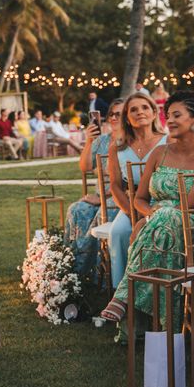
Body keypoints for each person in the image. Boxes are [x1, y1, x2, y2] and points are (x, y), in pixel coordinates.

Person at [101, 90, 194, 325]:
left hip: (191, 226)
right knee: (161, 221)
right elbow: (139, 199)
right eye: (168, 115)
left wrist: (153, 216)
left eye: (177, 115)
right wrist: (150, 215)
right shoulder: (159, 152)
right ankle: (164, 322)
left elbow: (190, 205)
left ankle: (124, 297)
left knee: (164, 217)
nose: (169, 120)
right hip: (158, 223)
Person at [107, 93, 167, 289]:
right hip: (129, 205)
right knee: (119, 231)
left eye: (144, 107)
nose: (140, 112)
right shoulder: (117, 148)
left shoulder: (168, 142)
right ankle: (121, 290)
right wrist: (131, 213)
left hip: (161, 203)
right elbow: (115, 185)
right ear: (127, 117)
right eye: (133, 109)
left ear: (153, 113)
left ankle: (153, 287)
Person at [64, 99, 124, 276]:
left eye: (118, 114)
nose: (113, 117)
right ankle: (71, 267)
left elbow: (125, 181)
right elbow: (84, 167)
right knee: (76, 209)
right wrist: (89, 141)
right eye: (111, 114)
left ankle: (100, 273)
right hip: (101, 196)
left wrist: (101, 199)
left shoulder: (130, 142)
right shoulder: (102, 140)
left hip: (119, 196)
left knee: (101, 215)